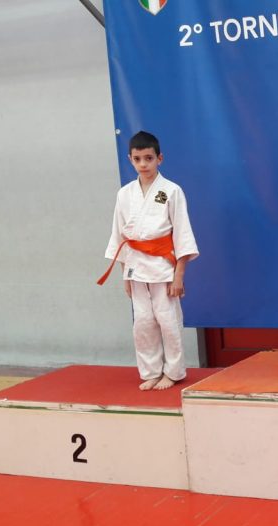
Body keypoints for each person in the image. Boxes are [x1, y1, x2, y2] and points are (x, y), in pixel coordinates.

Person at [99, 131, 199, 390]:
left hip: (163, 266)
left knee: (168, 320)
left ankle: (174, 371)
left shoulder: (171, 191)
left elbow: (182, 233)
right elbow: (119, 235)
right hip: (135, 267)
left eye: (148, 158)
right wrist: (125, 274)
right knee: (143, 322)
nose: (143, 164)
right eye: (137, 159)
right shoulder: (124, 194)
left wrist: (179, 275)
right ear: (130, 160)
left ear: (159, 158)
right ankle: (151, 371)